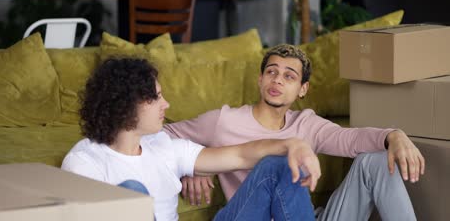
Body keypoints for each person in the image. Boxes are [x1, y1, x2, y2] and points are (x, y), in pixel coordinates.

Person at [164, 44, 425, 221]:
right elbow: (162, 134)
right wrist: (190, 167)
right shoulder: (223, 120)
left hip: (302, 215)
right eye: (271, 72)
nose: (277, 80)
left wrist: (394, 135)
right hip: (248, 216)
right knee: (280, 161)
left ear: (303, 89)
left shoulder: (306, 124)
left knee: (376, 160)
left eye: (289, 76)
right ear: (260, 80)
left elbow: (351, 140)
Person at [61, 57, 322, 221]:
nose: (166, 104)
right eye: (156, 97)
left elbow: (241, 154)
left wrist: (293, 144)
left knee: (276, 166)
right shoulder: (85, 162)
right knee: (133, 192)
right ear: (126, 105)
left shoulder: (163, 147)